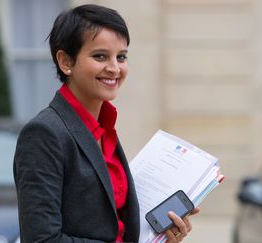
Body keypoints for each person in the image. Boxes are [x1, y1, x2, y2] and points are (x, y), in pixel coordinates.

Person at [13, 4, 199, 243]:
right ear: (66, 61)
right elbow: (42, 240)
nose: (114, 68)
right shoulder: (44, 133)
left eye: (121, 57)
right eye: (100, 56)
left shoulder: (104, 130)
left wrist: (160, 236)